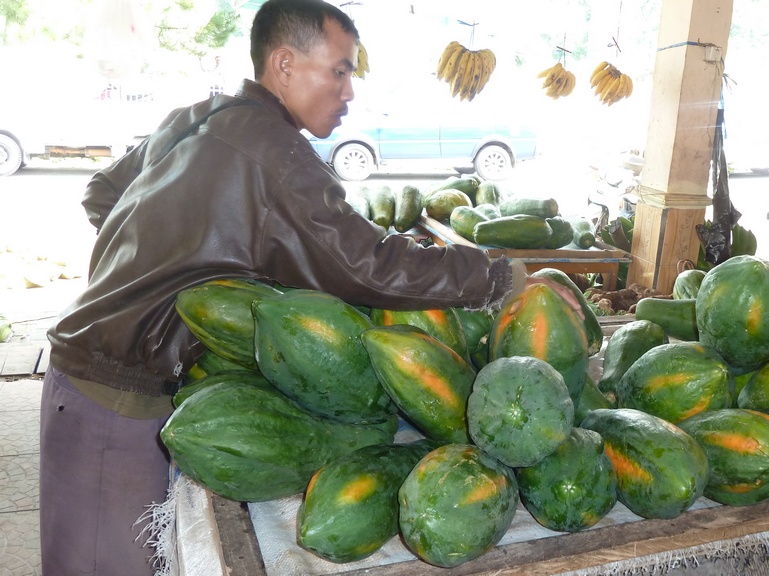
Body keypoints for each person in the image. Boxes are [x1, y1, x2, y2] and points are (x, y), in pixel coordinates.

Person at [39, 2, 575, 574]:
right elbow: (368, 264)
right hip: (114, 397)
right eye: (340, 71)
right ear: (285, 63)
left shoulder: (197, 116)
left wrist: (168, 263)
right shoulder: (275, 150)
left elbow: (103, 193)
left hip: (85, 373)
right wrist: (499, 278)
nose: (349, 92)